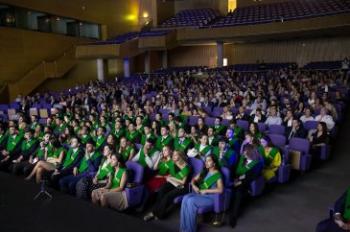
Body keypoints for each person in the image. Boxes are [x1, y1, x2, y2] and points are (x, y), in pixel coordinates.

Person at [180, 155, 224, 232]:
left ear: (214, 163)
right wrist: (194, 186)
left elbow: (220, 190)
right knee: (185, 198)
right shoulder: (204, 171)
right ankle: (183, 229)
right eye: (206, 161)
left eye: (209, 161)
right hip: (201, 195)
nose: (206, 162)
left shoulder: (217, 174)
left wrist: (206, 191)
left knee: (191, 201)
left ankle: (190, 230)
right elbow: (193, 180)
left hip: (211, 198)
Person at [144, 150, 190, 221]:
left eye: (175, 155)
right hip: (172, 182)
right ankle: (160, 213)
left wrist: (171, 178)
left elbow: (183, 182)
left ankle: (154, 213)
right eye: (173, 155)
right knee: (161, 191)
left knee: (167, 196)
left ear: (180, 156)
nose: (173, 156)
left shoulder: (186, 167)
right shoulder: (173, 163)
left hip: (181, 187)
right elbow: (161, 167)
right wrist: (160, 159)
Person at [229, 144, 264, 228]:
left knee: (238, 192)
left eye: (246, 151)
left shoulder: (256, 163)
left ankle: (234, 216)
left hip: (246, 183)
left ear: (250, 152)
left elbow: (251, 177)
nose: (243, 152)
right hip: (236, 179)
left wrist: (240, 181)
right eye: (244, 150)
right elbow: (235, 169)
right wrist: (235, 179)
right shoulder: (242, 158)